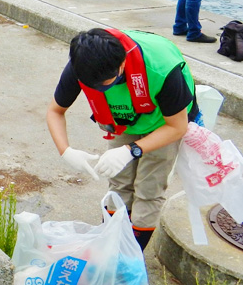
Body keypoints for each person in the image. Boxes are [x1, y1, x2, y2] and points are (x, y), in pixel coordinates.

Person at [46, 28, 198, 251]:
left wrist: (132, 150)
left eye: (107, 84)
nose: (101, 89)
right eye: (94, 87)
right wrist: (66, 151)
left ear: (123, 64)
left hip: (163, 122)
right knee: (118, 181)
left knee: (148, 189)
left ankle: (131, 255)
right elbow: (55, 111)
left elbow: (177, 127)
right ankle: (109, 244)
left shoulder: (162, 69)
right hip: (124, 119)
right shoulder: (81, 67)